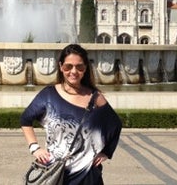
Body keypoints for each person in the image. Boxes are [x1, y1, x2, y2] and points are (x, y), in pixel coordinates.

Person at [20, 44, 122, 184]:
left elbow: (115, 124)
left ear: (85, 68)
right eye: (68, 67)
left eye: (79, 67)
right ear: (61, 67)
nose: (74, 71)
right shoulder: (49, 95)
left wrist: (106, 152)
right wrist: (35, 148)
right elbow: (25, 119)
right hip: (57, 171)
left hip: (88, 174)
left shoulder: (95, 97)